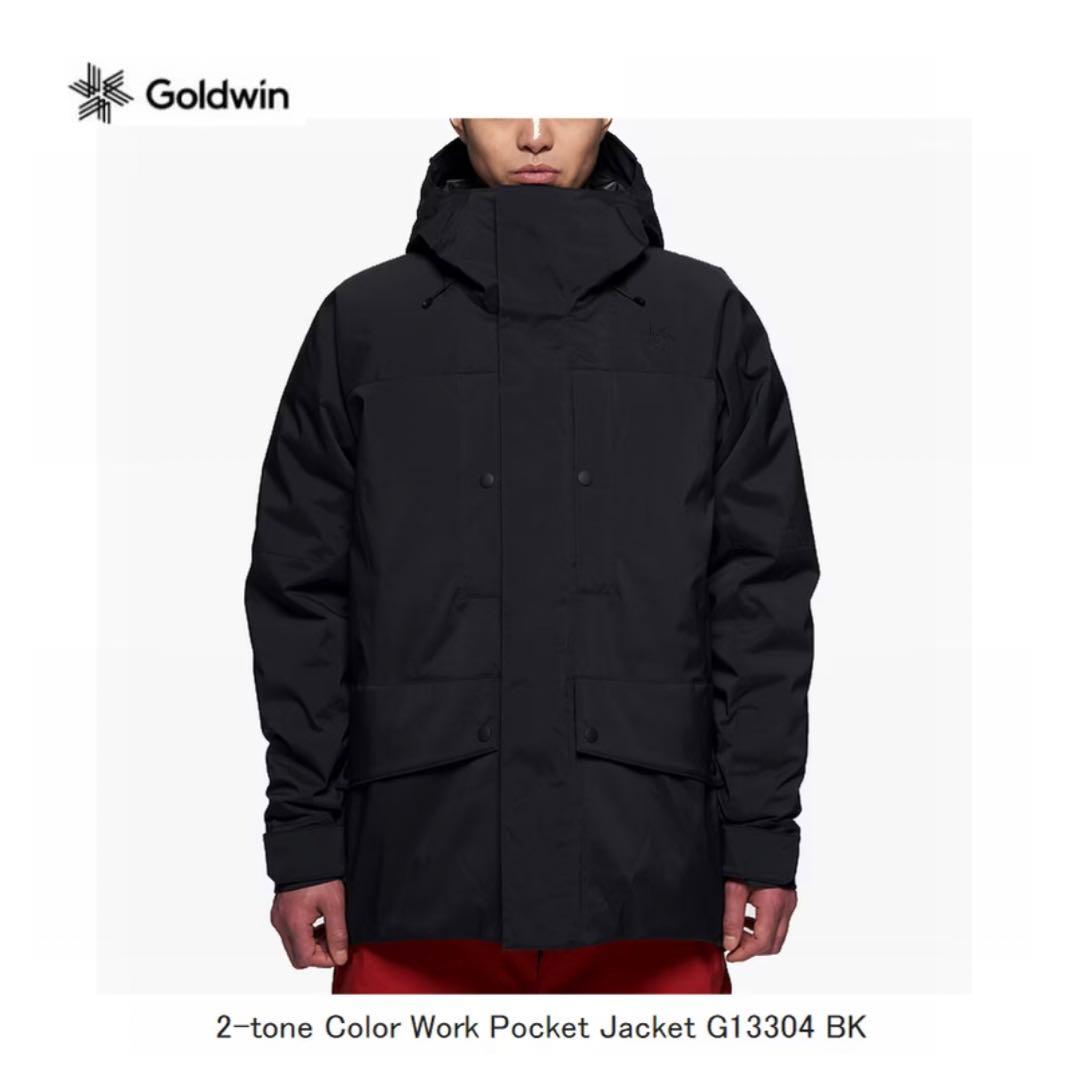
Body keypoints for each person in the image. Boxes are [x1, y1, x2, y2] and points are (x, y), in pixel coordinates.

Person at [243, 118, 820, 994]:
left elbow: (760, 596)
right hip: (416, 876)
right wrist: (304, 840)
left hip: (651, 874)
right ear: (455, 111)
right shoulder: (364, 323)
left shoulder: (705, 319)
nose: (537, 133)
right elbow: (301, 596)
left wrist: (761, 836)